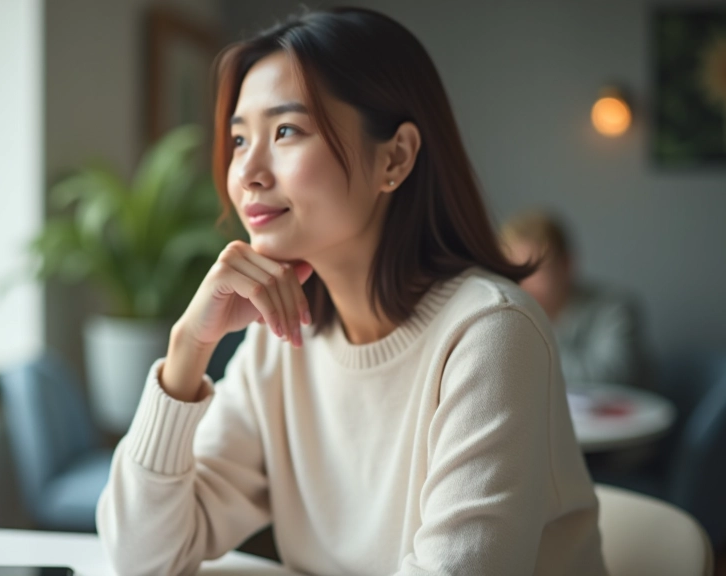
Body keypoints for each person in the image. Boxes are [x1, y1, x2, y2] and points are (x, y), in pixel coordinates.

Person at [97, 8, 608, 575]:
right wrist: (188, 351)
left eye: (286, 130)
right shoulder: (281, 343)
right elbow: (141, 559)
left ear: (395, 157)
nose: (247, 173)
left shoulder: (490, 334)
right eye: (240, 139)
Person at [501, 210, 650, 390]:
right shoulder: (508, 315)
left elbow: (613, 374)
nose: (523, 284)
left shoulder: (614, 307)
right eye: (514, 273)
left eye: (534, 271)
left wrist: (524, 358)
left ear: (567, 265)